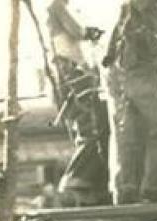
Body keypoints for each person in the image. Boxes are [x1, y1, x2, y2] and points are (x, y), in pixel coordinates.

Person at [102, 0, 157, 204]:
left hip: (121, 71)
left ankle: (126, 190)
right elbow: (142, 30)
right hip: (139, 71)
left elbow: (119, 35)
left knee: (126, 133)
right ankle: (153, 187)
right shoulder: (145, 4)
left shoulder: (125, 7)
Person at [46, 0, 110, 206]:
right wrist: (96, 33)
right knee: (91, 128)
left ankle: (86, 183)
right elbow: (78, 31)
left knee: (89, 129)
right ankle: (75, 180)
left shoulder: (58, 9)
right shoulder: (56, 6)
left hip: (70, 72)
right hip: (70, 72)